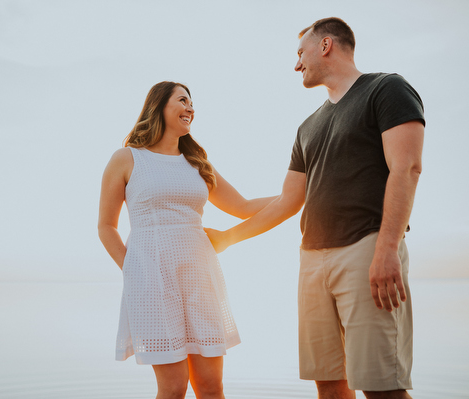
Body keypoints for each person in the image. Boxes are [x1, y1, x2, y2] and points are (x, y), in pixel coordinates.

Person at [205, 17, 425, 399]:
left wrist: (387, 249)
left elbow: (406, 168)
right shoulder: (308, 126)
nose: (296, 64)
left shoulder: (386, 89)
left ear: (325, 46)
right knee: (329, 384)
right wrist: (228, 237)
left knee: (381, 387)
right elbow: (288, 201)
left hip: (366, 250)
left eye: (300, 53)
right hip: (311, 261)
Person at [98, 81, 274, 399]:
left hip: (201, 279)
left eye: (192, 103)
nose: (190, 108)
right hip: (151, 283)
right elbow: (106, 226)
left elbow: (244, 207)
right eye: (182, 100)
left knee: (210, 387)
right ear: (159, 106)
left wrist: (298, 194)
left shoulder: (196, 163)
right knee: (174, 387)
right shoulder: (126, 158)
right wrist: (133, 269)